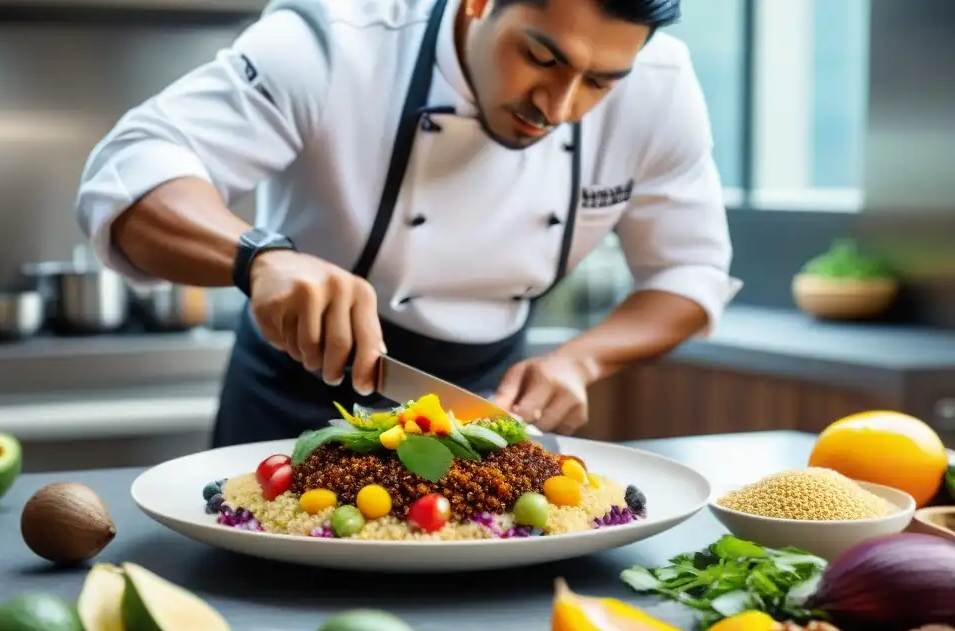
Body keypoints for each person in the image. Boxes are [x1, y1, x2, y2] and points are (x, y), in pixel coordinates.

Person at [75, 0, 741, 447]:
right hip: (293, 402)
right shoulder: (337, 38)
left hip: (483, 410)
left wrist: (580, 360)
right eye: (542, 58)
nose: (560, 107)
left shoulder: (659, 86)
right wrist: (261, 258)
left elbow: (691, 272)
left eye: (600, 82)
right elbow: (130, 170)